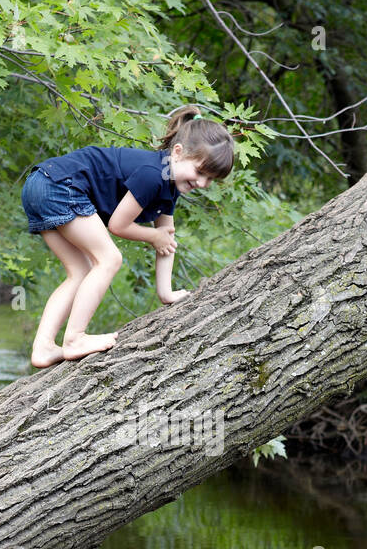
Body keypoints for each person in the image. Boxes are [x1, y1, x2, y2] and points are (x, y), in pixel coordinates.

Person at [21, 105, 234, 368]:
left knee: (80, 270)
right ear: (177, 153)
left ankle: (43, 347)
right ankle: (75, 339)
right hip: (59, 186)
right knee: (109, 259)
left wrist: (165, 292)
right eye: (200, 172)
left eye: (211, 179)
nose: (202, 184)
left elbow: (166, 238)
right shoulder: (152, 174)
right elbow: (118, 225)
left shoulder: (168, 184)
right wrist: (152, 236)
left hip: (41, 183)